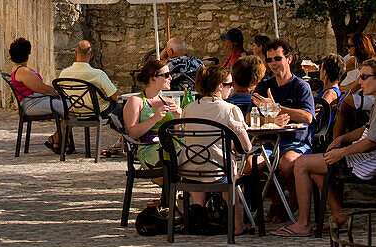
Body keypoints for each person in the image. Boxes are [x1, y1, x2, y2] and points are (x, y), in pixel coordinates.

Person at [279, 59, 376, 236]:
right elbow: (368, 129)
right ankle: (338, 214)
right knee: (314, 167)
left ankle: (303, 223)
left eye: (364, 77)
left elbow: (371, 141)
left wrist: (342, 152)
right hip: (362, 153)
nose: (359, 81)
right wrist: (342, 139)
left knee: (301, 164)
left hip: (367, 159)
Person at [182, 64, 253, 235]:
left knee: (203, 159)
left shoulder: (188, 108)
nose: (231, 88)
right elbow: (246, 147)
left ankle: (198, 209)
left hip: (190, 170)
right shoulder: (230, 109)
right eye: (229, 85)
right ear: (220, 86)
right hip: (218, 172)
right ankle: (238, 225)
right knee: (231, 173)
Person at [252, 38, 315, 204]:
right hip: (269, 142)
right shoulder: (264, 86)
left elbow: (307, 117)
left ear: (289, 59)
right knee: (249, 167)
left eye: (277, 58)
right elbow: (249, 117)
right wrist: (270, 117)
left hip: (295, 141)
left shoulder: (300, 86)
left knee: (286, 163)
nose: (273, 63)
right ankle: (278, 202)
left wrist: (277, 108)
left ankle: (294, 201)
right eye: (269, 60)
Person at [8, 37, 66, 154]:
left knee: (68, 109)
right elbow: (41, 88)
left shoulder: (18, 70)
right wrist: (55, 93)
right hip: (33, 104)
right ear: (27, 54)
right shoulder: (23, 71)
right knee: (71, 109)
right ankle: (56, 139)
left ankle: (61, 141)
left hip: (35, 101)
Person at [123, 57, 182, 168]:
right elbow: (132, 133)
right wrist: (154, 119)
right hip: (149, 148)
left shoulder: (169, 101)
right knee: (178, 158)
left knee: (194, 153)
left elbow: (177, 134)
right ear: (153, 77)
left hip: (171, 146)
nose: (170, 78)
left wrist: (178, 119)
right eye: (166, 75)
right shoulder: (136, 101)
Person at [58, 40, 121, 117]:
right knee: (121, 108)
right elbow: (115, 97)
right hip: (97, 113)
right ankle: (128, 128)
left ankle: (63, 128)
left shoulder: (64, 74)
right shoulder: (98, 74)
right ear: (91, 55)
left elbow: (61, 95)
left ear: (75, 53)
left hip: (74, 112)